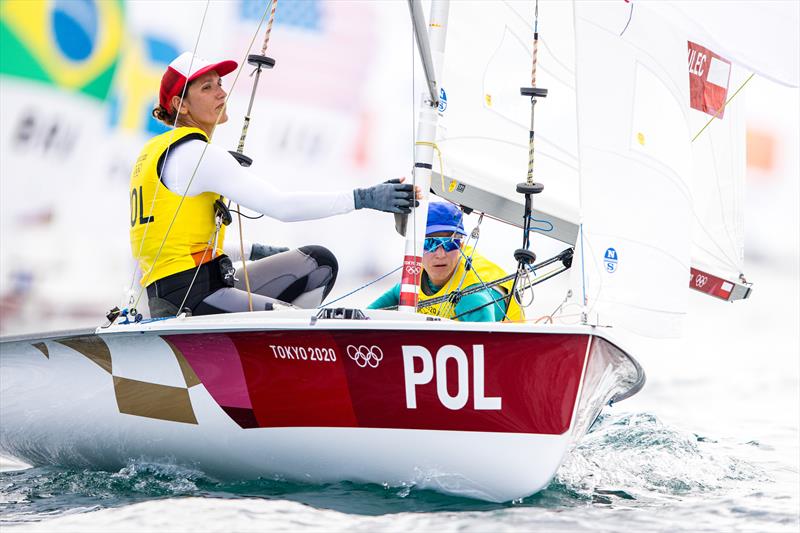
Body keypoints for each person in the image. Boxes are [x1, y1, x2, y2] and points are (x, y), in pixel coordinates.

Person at [131, 52, 418, 317]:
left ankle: (277, 348)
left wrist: (254, 250)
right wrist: (363, 197)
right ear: (180, 104)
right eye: (207, 88)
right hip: (193, 298)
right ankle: (287, 347)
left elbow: (169, 247)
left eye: (220, 83)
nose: (221, 92)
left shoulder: (157, 153)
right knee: (301, 319)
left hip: (180, 291)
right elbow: (282, 206)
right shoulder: (197, 154)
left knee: (318, 263)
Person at [368, 202, 524, 322]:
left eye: (450, 243)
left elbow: (486, 347)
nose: (441, 254)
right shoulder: (412, 281)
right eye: (431, 243)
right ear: (416, 247)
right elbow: (364, 318)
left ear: (461, 246)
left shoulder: (472, 298)